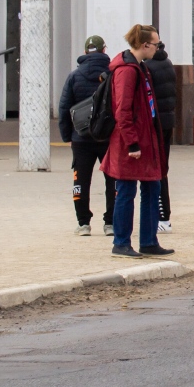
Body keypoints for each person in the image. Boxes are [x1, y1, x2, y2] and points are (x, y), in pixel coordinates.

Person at [101, 24, 174, 259]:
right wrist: (132, 143)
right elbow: (122, 111)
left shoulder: (141, 67)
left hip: (146, 138)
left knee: (153, 187)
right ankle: (121, 242)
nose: (158, 48)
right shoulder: (127, 70)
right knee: (126, 191)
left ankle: (149, 241)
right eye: (156, 44)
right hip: (131, 143)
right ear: (145, 45)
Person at [57, 35, 115, 236]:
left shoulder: (74, 76)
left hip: (81, 138)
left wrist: (68, 136)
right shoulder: (112, 74)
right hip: (108, 137)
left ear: (84, 53)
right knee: (113, 179)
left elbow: (64, 107)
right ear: (104, 51)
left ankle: (83, 223)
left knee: (80, 179)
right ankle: (111, 223)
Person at [144, 41, 177, 233]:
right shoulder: (167, 62)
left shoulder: (148, 67)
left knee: (155, 171)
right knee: (162, 168)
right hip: (167, 122)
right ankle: (164, 216)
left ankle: (161, 218)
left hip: (155, 124)